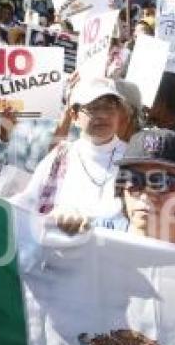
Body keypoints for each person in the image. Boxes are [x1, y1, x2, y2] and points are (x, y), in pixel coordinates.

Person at [10, 77, 132, 230]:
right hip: (61, 249)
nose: (102, 115)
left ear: (119, 114)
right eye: (93, 108)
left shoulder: (133, 158)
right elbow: (28, 201)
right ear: (74, 115)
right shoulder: (60, 156)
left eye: (109, 107)